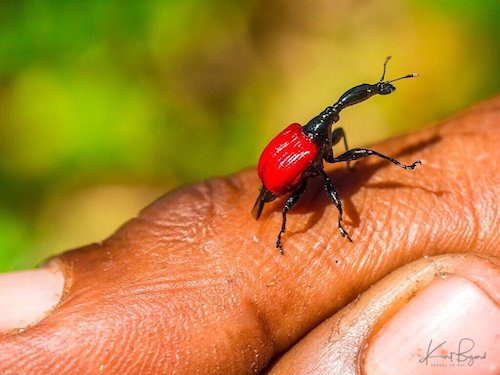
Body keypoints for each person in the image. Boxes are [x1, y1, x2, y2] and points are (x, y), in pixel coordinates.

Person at [0, 97, 498, 374]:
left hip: (279, 173)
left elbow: (333, 130)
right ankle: (305, 226)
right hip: (281, 180)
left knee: (335, 169)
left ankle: (323, 209)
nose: (335, 126)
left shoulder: (307, 135)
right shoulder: (304, 146)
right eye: (332, 121)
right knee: (318, 186)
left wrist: (371, 94)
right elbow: (304, 174)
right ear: (318, 129)